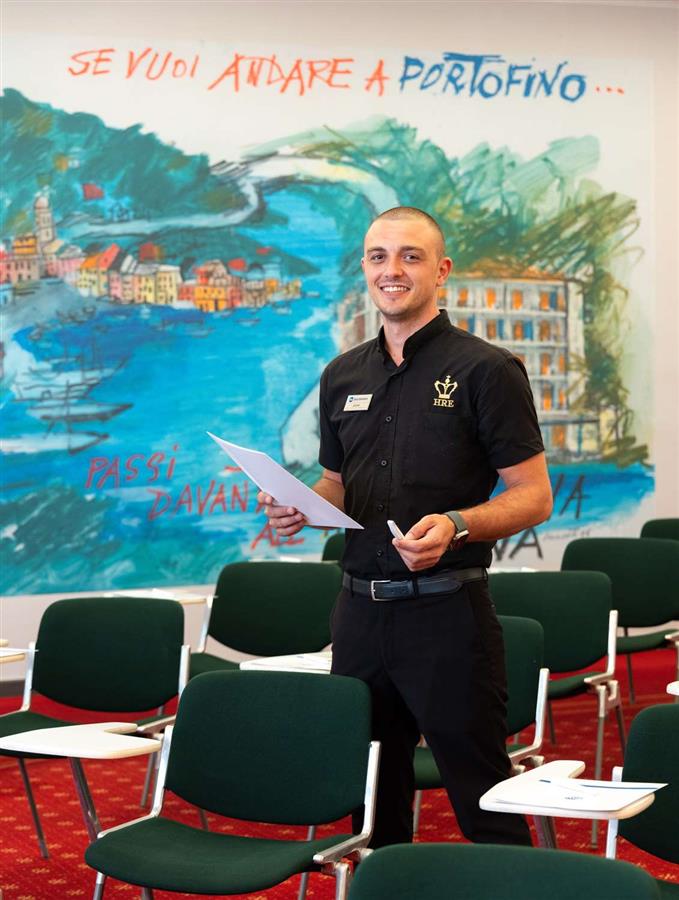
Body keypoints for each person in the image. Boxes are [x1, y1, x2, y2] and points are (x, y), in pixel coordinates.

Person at [259, 206, 553, 848]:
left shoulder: (487, 370)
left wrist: (456, 524)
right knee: (368, 802)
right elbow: (336, 483)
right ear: (365, 268)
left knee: (484, 801)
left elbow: (534, 497)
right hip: (357, 615)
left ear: (441, 271)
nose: (391, 270)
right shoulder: (342, 374)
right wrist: (300, 505)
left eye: (410, 256)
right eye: (378, 257)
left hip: (447, 616)